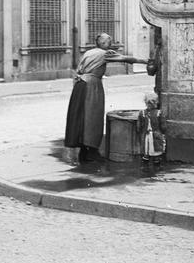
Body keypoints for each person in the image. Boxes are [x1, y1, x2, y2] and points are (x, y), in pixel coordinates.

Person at [64, 33, 148, 163]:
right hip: (91, 86)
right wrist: (145, 61)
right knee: (93, 118)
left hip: (80, 86)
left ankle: (84, 151)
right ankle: (91, 151)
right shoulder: (105, 53)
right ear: (102, 43)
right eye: (109, 41)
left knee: (80, 117)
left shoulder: (88, 53)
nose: (111, 43)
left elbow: (78, 70)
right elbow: (125, 58)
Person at [137, 91, 167, 172]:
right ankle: (157, 167)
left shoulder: (142, 113)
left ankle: (145, 167)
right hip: (156, 135)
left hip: (145, 135)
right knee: (156, 151)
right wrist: (163, 132)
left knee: (146, 151)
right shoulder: (159, 113)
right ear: (156, 102)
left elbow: (139, 126)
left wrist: (140, 132)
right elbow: (163, 126)